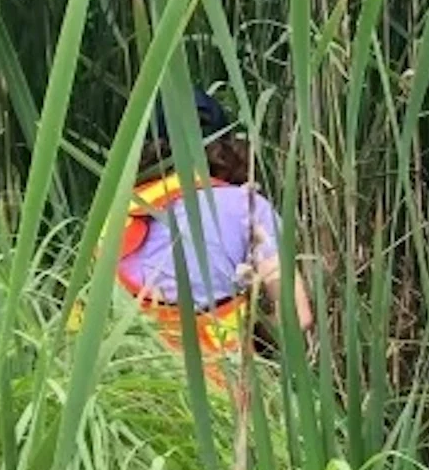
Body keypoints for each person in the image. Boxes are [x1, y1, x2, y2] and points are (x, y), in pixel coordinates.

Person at [115, 87, 315, 372]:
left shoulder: (123, 213)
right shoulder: (248, 206)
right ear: (228, 146)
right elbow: (298, 317)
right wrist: (257, 337)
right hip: (218, 381)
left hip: (127, 376)